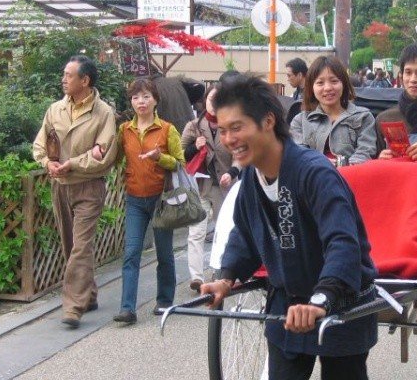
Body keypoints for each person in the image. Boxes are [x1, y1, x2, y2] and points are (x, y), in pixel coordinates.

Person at [200, 74, 378, 379]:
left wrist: (321, 298)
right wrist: (226, 280)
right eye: (223, 130)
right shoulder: (251, 183)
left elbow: (342, 243)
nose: (228, 140)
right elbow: (245, 237)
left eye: (237, 128)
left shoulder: (315, 174)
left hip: (340, 303)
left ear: (268, 121)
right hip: (288, 305)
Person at [32, 55, 118, 329]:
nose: (63, 79)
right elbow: (39, 145)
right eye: (64, 74)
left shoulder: (104, 113)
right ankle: (89, 294)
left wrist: (73, 163)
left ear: (85, 80)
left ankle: (72, 307)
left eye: (69, 75)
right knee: (71, 245)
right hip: (60, 186)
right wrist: (48, 163)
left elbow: (104, 156)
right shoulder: (55, 109)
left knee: (81, 247)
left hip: (89, 187)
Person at [111, 79, 185, 324]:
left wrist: (159, 157)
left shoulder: (167, 129)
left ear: (155, 100)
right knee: (131, 253)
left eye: (145, 97)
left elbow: (180, 163)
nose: (140, 102)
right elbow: (116, 157)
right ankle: (127, 308)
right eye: (135, 98)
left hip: (161, 199)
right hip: (134, 199)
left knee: (164, 253)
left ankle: (164, 301)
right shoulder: (125, 130)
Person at [181, 84, 241, 291]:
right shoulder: (194, 125)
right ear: (205, 101)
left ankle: (225, 272)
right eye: (211, 99)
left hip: (225, 186)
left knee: (226, 231)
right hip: (200, 186)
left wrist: (232, 173)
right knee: (196, 232)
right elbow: (180, 154)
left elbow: (240, 155)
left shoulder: (233, 126)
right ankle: (197, 277)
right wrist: (193, 147)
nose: (214, 104)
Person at [290, 56, 377, 165]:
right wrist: (323, 165)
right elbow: (300, 156)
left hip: (351, 176)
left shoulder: (363, 117)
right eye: (320, 83)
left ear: (344, 84)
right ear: (311, 88)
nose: (327, 88)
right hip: (314, 177)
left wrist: (339, 166)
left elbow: (365, 152)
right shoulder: (300, 121)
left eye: (334, 81)